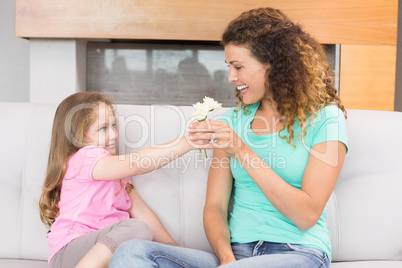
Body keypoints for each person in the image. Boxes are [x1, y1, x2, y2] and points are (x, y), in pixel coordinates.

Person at [109, 7, 347, 268]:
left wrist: (242, 151)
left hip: (299, 254)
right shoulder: (232, 123)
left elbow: (306, 214)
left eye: (238, 67)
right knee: (132, 252)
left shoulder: (326, 119)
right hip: (236, 256)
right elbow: (215, 207)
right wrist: (226, 258)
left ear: (274, 66)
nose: (231, 77)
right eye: (229, 67)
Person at [38, 92, 209, 267]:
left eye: (114, 126)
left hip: (103, 252)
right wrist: (188, 142)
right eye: (103, 128)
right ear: (78, 137)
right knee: (136, 229)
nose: (113, 135)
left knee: (201, 259)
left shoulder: (118, 175)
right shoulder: (85, 158)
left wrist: (171, 247)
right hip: (71, 251)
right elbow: (136, 164)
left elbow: (142, 212)